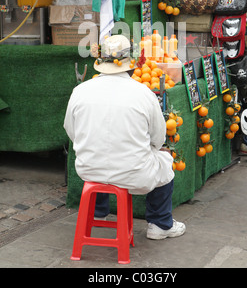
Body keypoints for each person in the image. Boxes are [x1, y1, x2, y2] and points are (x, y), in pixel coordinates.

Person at [64, 34, 186, 240]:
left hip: (89, 169)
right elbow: (158, 138)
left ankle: (98, 213)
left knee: (100, 151)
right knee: (165, 159)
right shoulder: (143, 93)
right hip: (134, 174)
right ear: (131, 63)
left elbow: (71, 130)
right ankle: (160, 224)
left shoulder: (80, 91)